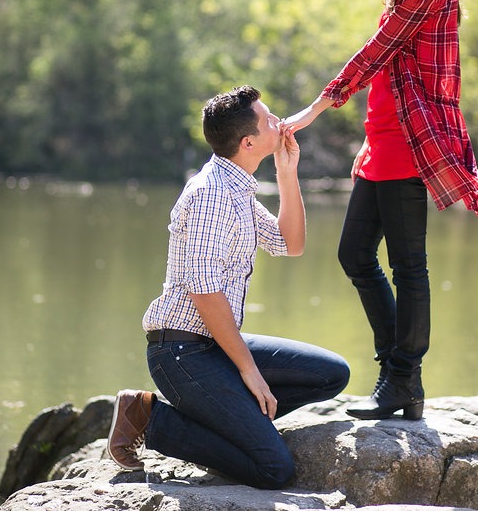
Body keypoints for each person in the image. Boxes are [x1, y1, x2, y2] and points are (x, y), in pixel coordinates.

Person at [281, 0, 478, 421]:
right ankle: (397, 373)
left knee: (408, 267)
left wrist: (314, 110)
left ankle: (403, 379)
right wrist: (367, 141)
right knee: (354, 254)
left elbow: (379, 52)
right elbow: (393, 68)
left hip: (409, 142)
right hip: (385, 140)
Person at [106, 85, 350, 489]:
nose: (279, 121)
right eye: (270, 118)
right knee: (275, 470)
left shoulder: (237, 186)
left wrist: (287, 174)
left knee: (331, 374)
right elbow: (204, 292)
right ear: (249, 141)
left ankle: (231, 428)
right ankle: (150, 418)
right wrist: (248, 370)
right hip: (181, 352)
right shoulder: (210, 194)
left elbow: (291, 244)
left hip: (212, 344)